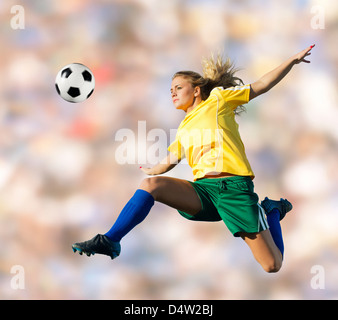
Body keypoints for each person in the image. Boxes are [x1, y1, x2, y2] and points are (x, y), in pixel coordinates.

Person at [72, 45, 314, 273]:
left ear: (196, 90)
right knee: (150, 186)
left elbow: (261, 84)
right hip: (205, 192)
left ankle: (271, 210)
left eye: (178, 87)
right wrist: (151, 169)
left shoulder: (218, 101)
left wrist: (291, 61)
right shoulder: (183, 128)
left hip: (234, 190)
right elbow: (170, 160)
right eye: (170, 90)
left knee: (272, 265)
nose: (173, 93)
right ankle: (111, 240)